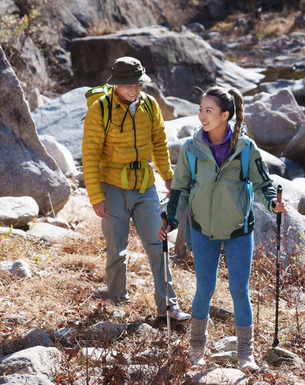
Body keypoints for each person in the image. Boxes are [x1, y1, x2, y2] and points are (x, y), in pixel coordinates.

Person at [158, 86, 287, 371]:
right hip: (203, 228)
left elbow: (264, 183)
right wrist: (171, 220)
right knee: (204, 288)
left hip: (239, 228)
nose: (201, 115)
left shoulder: (245, 148)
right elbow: (180, 188)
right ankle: (195, 350)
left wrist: (273, 203)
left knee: (239, 289)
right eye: (201, 109)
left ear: (225, 115)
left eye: (209, 111)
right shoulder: (192, 149)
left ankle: (245, 354)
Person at [82, 56, 191, 324]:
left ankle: (169, 308)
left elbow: (159, 144)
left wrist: (167, 177)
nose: (134, 89)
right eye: (128, 84)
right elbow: (90, 155)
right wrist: (96, 197)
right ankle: (118, 304)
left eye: (138, 84)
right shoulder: (100, 109)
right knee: (116, 251)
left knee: (158, 244)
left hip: (144, 185)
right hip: (112, 187)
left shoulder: (150, 106)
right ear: (115, 84)